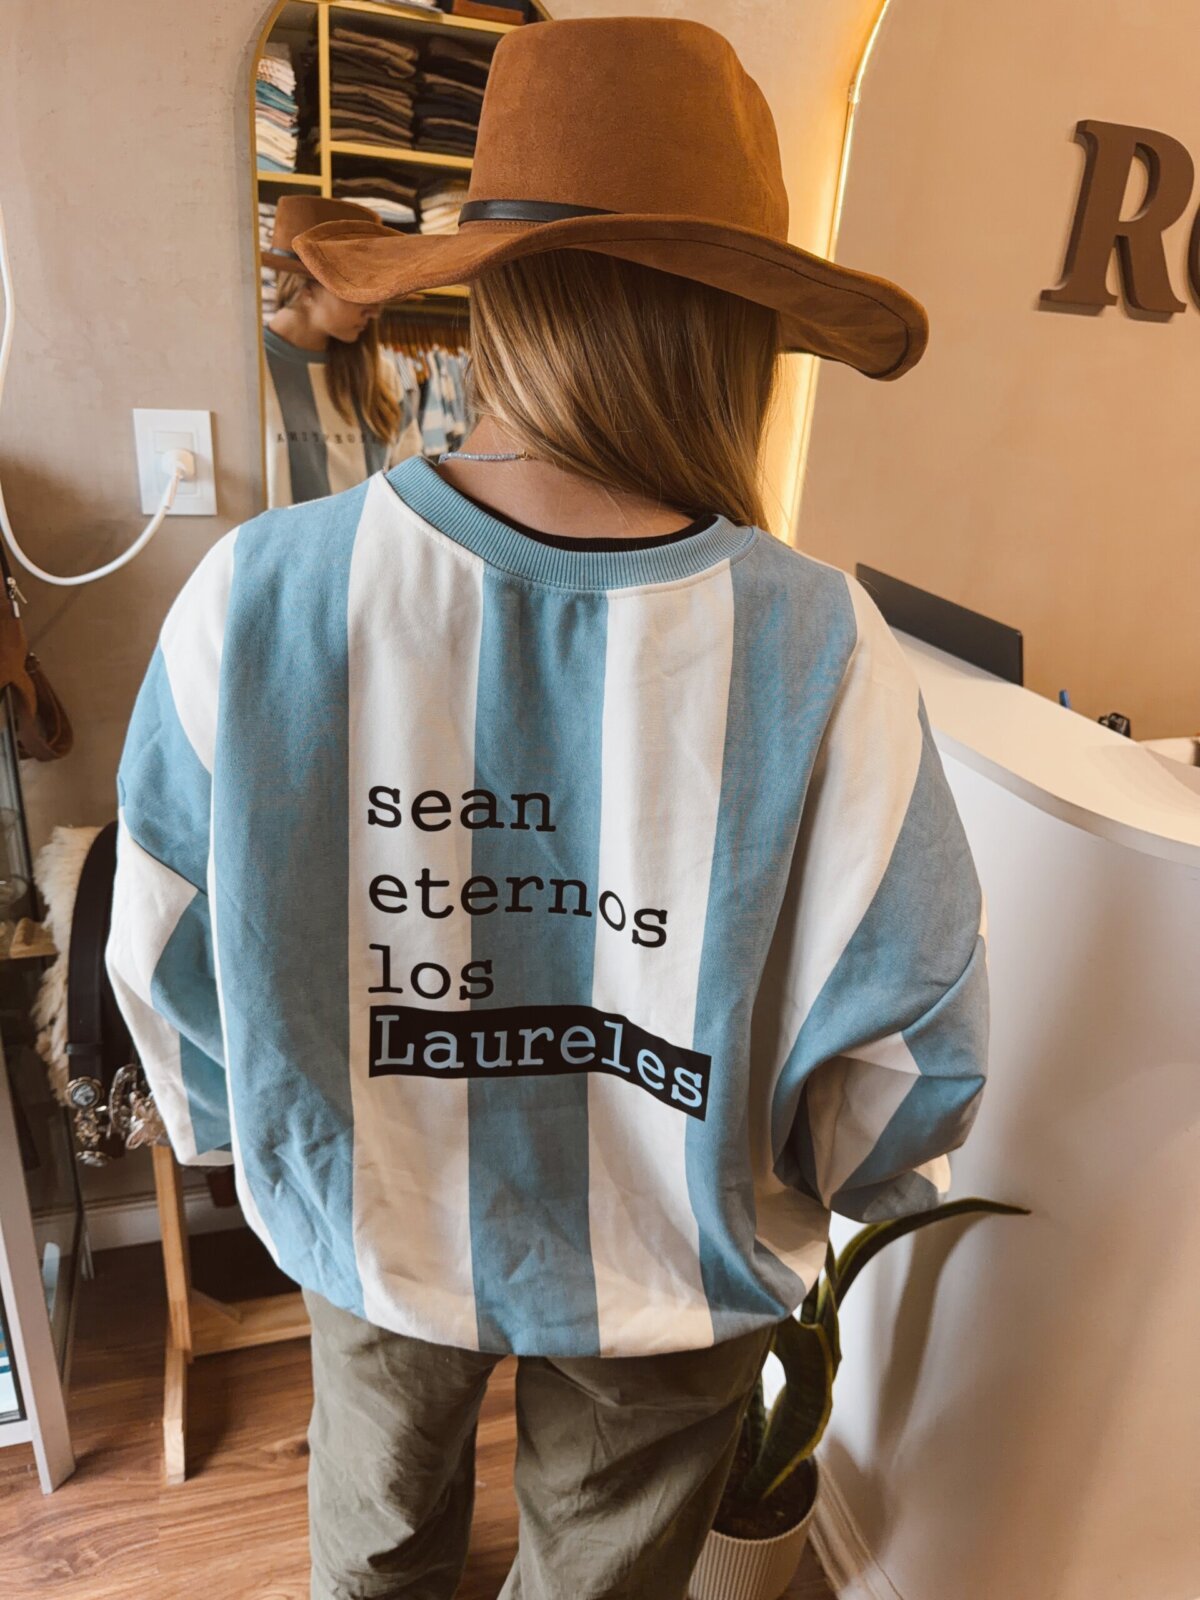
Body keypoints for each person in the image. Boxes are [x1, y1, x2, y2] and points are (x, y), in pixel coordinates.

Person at [108, 17, 988, 1600]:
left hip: (374, 1216)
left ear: (489, 299)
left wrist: (267, 1138)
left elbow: (162, 936)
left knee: (375, 1543)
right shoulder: (819, 643)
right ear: (735, 341)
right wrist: (835, 1182)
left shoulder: (262, 595)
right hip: (677, 1259)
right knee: (601, 1575)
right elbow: (909, 1034)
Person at [260, 195, 421, 506]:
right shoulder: (250, 372)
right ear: (306, 287)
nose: (375, 311)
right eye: (359, 292)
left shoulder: (381, 374)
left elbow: (410, 481)